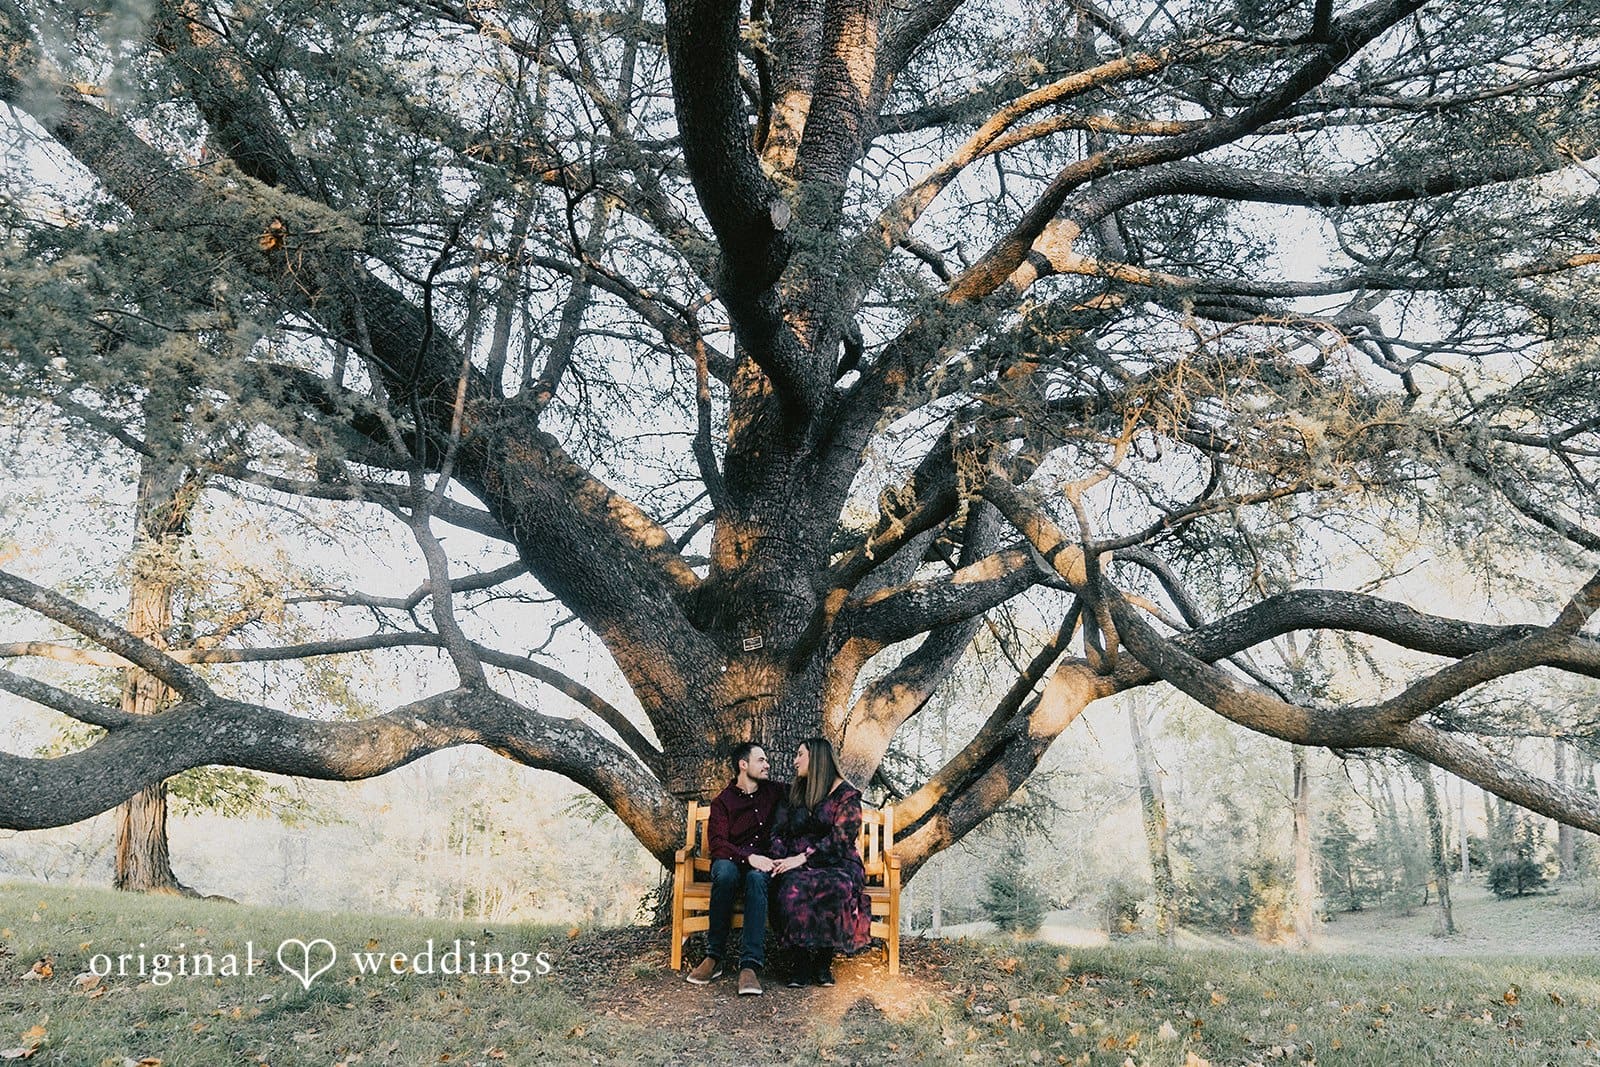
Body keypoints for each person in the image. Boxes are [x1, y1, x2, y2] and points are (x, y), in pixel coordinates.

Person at [768, 737, 872, 987]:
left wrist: (804, 858)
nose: (794, 761)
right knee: (791, 887)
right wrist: (782, 858)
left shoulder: (846, 795)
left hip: (837, 861)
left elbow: (843, 837)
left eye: (800, 755)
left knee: (837, 887)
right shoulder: (794, 793)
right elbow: (777, 832)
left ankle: (824, 962)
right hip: (795, 862)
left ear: (816, 759)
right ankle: (800, 963)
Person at [687, 742, 785, 995]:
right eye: (761, 760)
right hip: (731, 861)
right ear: (743, 764)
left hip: (760, 866)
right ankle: (714, 957)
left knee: (756, 879)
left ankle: (749, 966)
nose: (767, 765)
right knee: (726, 873)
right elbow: (718, 844)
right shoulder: (723, 802)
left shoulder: (774, 792)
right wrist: (748, 856)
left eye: (766, 760)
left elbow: (808, 794)